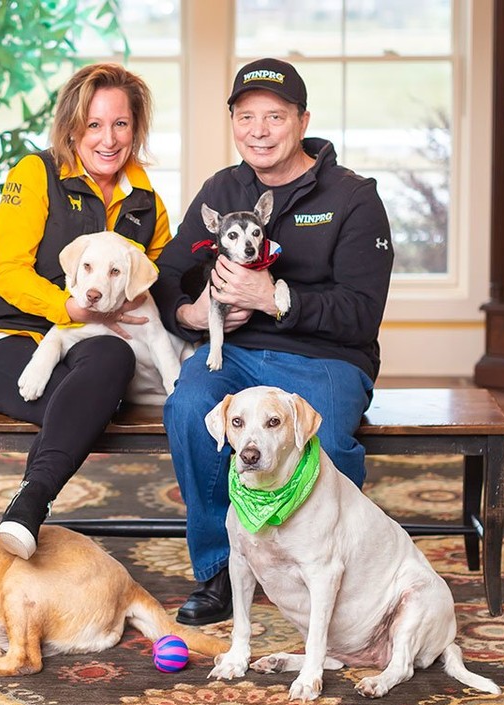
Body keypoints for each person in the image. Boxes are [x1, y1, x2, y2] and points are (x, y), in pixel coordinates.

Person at [150, 58, 394, 625]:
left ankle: (328, 570)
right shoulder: (223, 187)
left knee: (324, 439)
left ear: (303, 120)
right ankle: (218, 569)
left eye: (275, 117)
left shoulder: (354, 198)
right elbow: (165, 277)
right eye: (246, 116)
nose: (259, 130)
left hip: (325, 359)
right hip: (232, 354)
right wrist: (190, 313)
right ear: (233, 121)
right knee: (190, 407)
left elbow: (362, 313)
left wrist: (274, 299)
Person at [0, 63, 172, 560]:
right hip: (7, 337)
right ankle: (31, 506)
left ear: (135, 129)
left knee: (112, 365)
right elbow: (8, 271)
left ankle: (24, 509)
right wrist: (70, 308)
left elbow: (162, 276)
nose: (108, 139)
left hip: (92, 345)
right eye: (94, 124)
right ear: (72, 126)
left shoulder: (147, 202)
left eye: (120, 124)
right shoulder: (34, 174)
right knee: (92, 398)